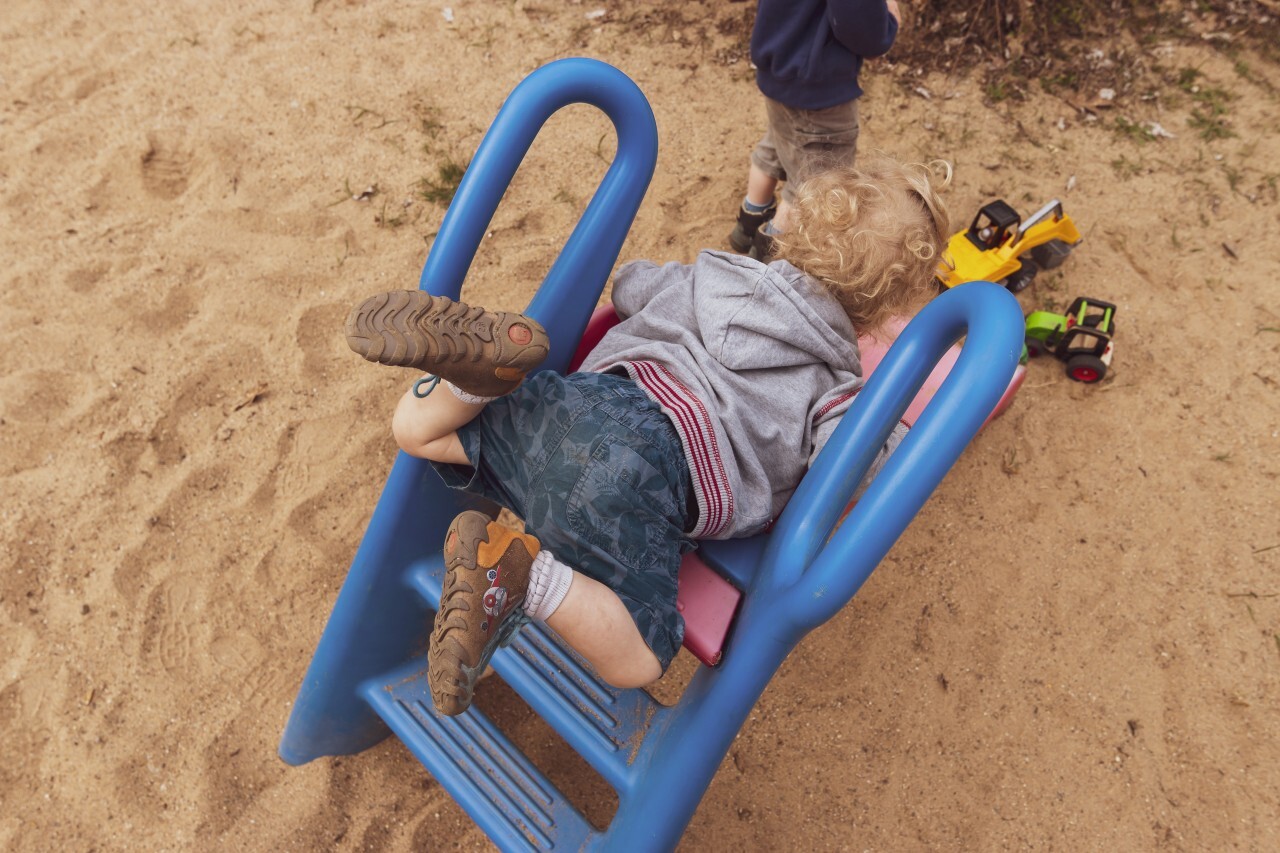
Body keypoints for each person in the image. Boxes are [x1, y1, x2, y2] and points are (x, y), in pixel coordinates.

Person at [343, 155, 950, 716]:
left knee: (416, 431)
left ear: (792, 229)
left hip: (574, 404)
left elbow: (630, 284)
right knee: (640, 658)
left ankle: (475, 381)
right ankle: (529, 577)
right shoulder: (834, 383)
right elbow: (859, 462)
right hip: (647, 481)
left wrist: (678, 292)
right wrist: (887, 425)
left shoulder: (708, 278)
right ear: (879, 313)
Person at [728, 0, 902, 260]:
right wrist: (887, 26)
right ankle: (769, 255)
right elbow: (859, 24)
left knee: (778, 142)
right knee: (814, 186)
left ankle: (750, 220)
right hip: (820, 89)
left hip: (778, 66)